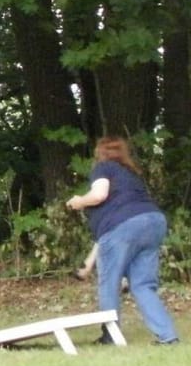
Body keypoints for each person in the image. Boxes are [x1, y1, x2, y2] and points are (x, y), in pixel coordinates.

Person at [65, 136, 179, 345]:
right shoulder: (131, 175)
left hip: (125, 227)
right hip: (153, 222)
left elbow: (99, 195)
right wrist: (88, 264)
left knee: (109, 282)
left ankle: (110, 336)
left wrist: (79, 201)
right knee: (143, 285)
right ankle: (168, 336)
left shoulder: (104, 168)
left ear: (100, 153)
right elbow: (109, 235)